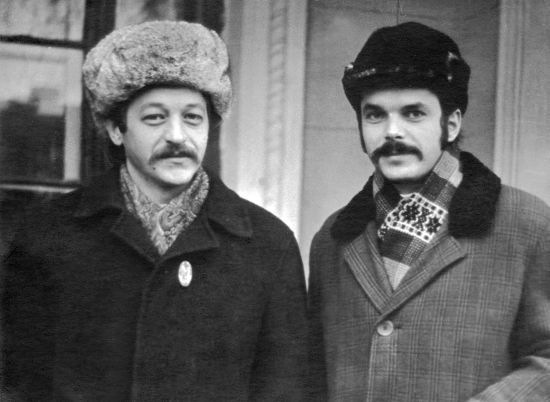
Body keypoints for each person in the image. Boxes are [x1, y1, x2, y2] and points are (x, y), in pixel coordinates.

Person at [2, 21, 308, 401]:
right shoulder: (50, 236)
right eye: (155, 118)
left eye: (192, 117)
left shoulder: (268, 245)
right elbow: (18, 384)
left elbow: (286, 389)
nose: (177, 136)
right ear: (116, 129)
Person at [308, 21, 550, 401]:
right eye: (375, 115)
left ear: (450, 124)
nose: (392, 132)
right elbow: (311, 376)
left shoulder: (527, 224)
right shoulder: (331, 239)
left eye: (413, 114)